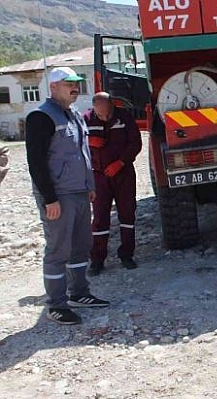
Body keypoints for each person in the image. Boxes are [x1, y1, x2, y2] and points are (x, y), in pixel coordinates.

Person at [25, 67, 110, 325]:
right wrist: (49, 198)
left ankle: (79, 293)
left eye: (76, 83)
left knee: (80, 246)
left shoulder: (74, 115)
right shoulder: (41, 117)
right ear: (53, 87)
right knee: (58, 251)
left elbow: (82, 153)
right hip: (58, 196)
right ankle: (57, 305)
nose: (75, 87)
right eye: (68, 83)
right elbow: (36, 163)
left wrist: (90, 185)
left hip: (79, 192)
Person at [83, 92, 142, 275]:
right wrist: (89, 140)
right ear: (94, 109)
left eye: (108, 113)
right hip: (99, 176)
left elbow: (135, 143)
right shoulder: (85, 119)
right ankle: (97, 260)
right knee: (100, 218)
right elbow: (74, 143)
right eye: (101, 115)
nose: (105, 117)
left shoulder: (124, 117)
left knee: (127, 214)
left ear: (112, 106)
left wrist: (120, 162)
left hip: (123, 174)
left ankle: (126, 255)